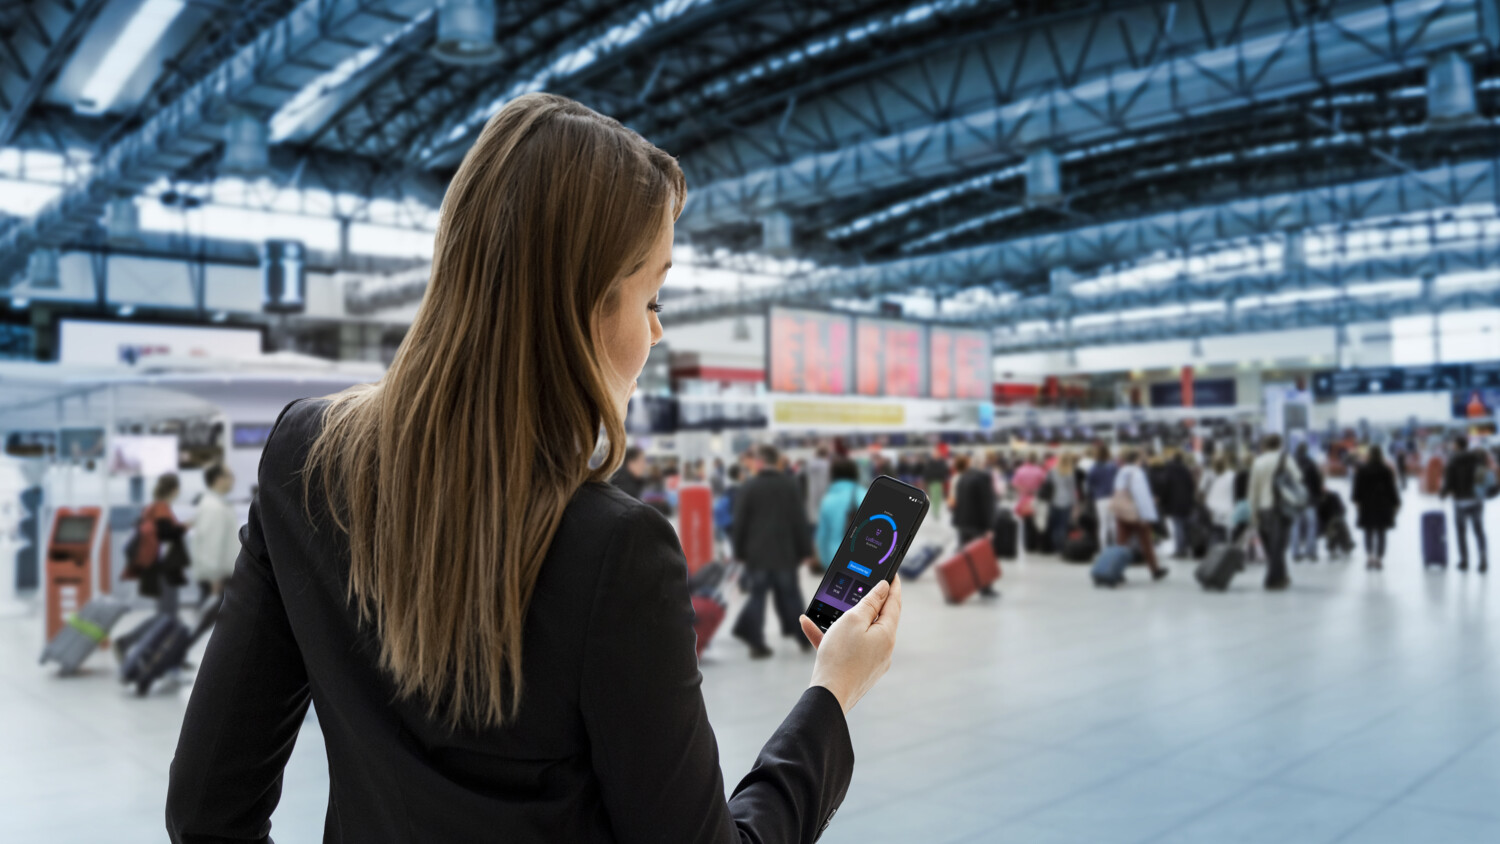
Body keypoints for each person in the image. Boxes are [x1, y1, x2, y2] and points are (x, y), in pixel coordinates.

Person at [166, 94, 901, 843]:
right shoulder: (614, 551)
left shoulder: (303, 458)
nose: (655, 331)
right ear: (583, 309)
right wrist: (831, 696)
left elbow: (206, 810)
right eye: (652, 296)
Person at [732, 444, 817, 657]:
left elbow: (740, 522)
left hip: (757, 553)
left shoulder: (749, 487)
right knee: (791, 595)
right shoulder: (790, 486)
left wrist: (739, 551)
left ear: (759, 462)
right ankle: (805, 637)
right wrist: (805, 550)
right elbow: (799, 520)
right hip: (785, 553)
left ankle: (756, 643)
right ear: (777, 462)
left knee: (757, 596)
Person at [115, 473, 193, 660]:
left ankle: (173, 659)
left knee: (169, 616)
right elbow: (166, 534)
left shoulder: (154, 508)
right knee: (166, 617)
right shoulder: (161, 509)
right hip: (164, 569)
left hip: (160, 569)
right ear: (174, 489)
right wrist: (184, 527)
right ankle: (126, 641)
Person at [188, 465, 239, 640]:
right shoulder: (213, 507)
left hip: (220, 577)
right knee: (201, 624)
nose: (233, 479)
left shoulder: (217, 504)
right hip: (216, 579)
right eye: (230, 475)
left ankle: (176, 653)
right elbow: (212, 543)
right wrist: (214, 577)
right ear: (219, 479)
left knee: (206, 623)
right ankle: (173, 654)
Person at [1249, 433, 1303, 590]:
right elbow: (1298, 478)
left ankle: (1280, 576)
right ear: (1279, 445)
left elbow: (1253, 490)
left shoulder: (1258, 462)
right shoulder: (1286, 459)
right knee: (1278, 545)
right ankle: (1273, 579)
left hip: (1263, 508)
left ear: (1264, 445)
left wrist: (1253, 512)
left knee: (1270, 545)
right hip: (1281, 507)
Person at [1111, 451, 1168, 580]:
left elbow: (1119, 491)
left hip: (1122, 511)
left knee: (1121, 543)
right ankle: (1155, 570)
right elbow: (1141, 496)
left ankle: (1115, 570)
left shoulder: (1121, 471)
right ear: (1137, 460)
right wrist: (1147, 515)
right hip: (1137, 513)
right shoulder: (1137, 473)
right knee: (1146, 543)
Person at [1440, 435, 1489, 573]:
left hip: (1460, 501)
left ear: (1457, 445)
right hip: (1476, 499)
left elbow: (1449, 482)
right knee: (1478, 530)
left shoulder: (1453, 460)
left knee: (1461, 532)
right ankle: (1483, 558)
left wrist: (1443, 494)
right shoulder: (1477, 459)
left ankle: (1464, 560)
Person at [1351, 445, 1401, 570]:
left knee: (1368, 532)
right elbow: (1392, 489)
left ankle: (1369, 557)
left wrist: (1357, 502)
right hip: (1383, 506)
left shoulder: (1362, 470)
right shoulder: (1386, 470)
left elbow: (1357, 489)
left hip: (1367, 505)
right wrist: (1396, 503)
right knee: (1381, 532)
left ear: (1370, 455)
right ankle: (1379, 559)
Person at [815, 458, 864, 573]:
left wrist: (826, 563)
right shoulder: (865, 494)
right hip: (862, 560)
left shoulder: (828, 500)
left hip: (836, 558)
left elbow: (822, 537)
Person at [950, 454, 998, 547]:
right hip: (977, 526)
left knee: (964, 553)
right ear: (983, 463)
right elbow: (987, 504)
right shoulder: (983, 477)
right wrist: (990, 527)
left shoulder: (963, 476)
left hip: (962, 523)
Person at [1290, 442, 1324, 563]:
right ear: (1306, 450)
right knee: (1311, 525)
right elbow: (1317, 481)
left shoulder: (1291, 463)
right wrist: (1318, 496)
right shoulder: (1311, 463)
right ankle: (1311, 552)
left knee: (1295, 525)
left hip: (1294, 499)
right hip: (1310, 499)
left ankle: (1295, 552)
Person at [1160, 450, 1197, 560]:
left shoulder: (1169, 469)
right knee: (1185, 526)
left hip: (1174, 501)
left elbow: (1166, 485)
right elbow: (1191, 486)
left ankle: (1179, 550)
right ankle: (1186, 547)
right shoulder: (1186, 470)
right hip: (1186, 502)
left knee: (1177, 526)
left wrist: (1164, 501)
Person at [1044, 452, 1082, 553]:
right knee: (1063, 525)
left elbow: (1047, 483)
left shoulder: (1052, 471)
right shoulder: (1070, 472)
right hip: (1067, 501)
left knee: (1054, 525)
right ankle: (1062, 546)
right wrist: (1076, 504)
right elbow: (1072, 490)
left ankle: (1055, 546)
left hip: (1053, 500)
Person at [1086, 443, 1118, 550]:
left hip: (1100, 498)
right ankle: (1115, 546)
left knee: (1103, 524)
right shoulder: (1113, 467)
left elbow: (1089, 485)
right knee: (1113, 523)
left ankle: (1103, 548)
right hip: (1113, 497)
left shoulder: (1093, 468)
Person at [1205, 454, 1236, 542]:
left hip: (1213, 511)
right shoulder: (1232, 476)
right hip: (1229, 510)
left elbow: (1204, 492)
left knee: (1216, 536)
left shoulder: (1210, 476)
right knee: (1228, 536)